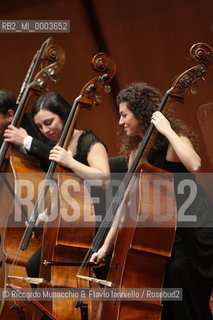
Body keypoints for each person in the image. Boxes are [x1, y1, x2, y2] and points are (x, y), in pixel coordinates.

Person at [90, 82, 213, 320]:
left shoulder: (171, 142)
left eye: (124, 114)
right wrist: (105, 247)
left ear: (142, 113)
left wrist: (167, 129)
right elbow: (126, 203)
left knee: (177, 273)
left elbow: (195, 165)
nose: (120, 121)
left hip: (194, 230)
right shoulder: (137, 153)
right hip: (168, 231)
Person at [23, 91, 110, 279]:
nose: (45, 131)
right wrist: (41, 218)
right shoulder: (58, 149)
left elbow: (104, 179)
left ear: (63, 115)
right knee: (34, 266)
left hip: (96, 222)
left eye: (49, 122)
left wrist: (71, 162)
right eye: (39, 126)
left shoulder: (87, 141)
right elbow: (61, 195)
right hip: (73, 224)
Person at [1, 89, 55, 170]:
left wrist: (26, 141)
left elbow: (55, 156)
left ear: (10, 115)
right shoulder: (1, 137)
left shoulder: (37, 124)